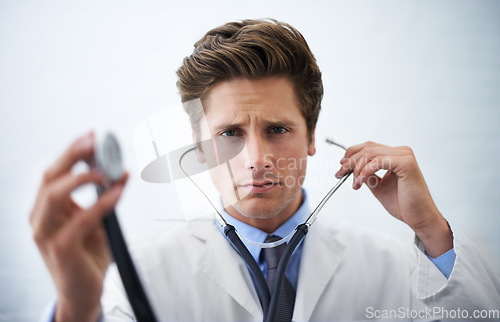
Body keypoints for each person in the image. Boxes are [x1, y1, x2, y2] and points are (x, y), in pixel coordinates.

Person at [30, 19, 499, 321]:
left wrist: (432, 230)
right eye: (230, 133)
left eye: (277, 128)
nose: (257, 157)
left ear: (312, 137)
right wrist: (76, 307)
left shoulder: (395, 270)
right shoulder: (141, 277)